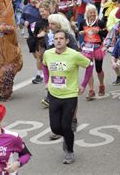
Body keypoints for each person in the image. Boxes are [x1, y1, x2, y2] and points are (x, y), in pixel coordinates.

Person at [42, 30, 93, 164]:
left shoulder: (74, 55)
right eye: (56, 39)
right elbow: (44, 65)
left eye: (61, 39)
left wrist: (83, 85)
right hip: (53, 94)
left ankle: (69, 151)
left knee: (66, 125)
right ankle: (67, 137)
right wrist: (46, 80)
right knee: (55, 128)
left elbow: (89, 65)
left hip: (70, 95)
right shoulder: (48, 54)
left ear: (67, 41)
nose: (58, 41)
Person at [78, 4, 107, 100]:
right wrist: (81, 33)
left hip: (97, 47)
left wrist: (98, 32)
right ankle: (91, 90)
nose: (92, 14)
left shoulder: (100, 22)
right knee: (89, 69)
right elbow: (79, 31)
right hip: (87, 48)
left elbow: (106, 34)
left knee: (98, 69)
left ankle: (101, 85)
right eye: (90, 12)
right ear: (87, 13)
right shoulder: (83, 22)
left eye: (94, 12)